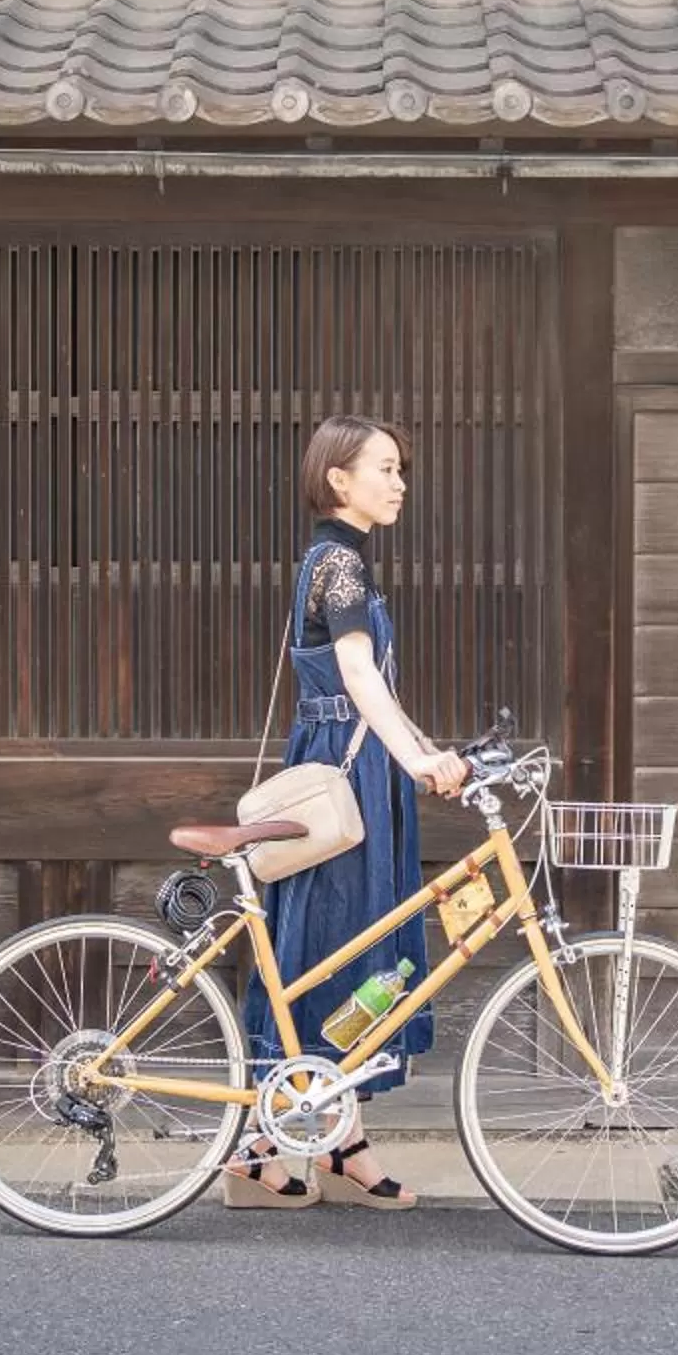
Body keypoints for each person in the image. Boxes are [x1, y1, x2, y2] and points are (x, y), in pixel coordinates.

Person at [227, 414, 470, 1211]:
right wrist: (417, 761)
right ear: (339, 478)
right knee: (335, 944)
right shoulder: (338, 564)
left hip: (356, 767)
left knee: (351, 945)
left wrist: (428, 751)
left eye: (401, 470)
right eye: (385, 468)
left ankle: (338, 1140)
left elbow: (375, 693)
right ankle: (265, 1146)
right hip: (346, 777)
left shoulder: (341, 562)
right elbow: (359, 679)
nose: (400, 483)